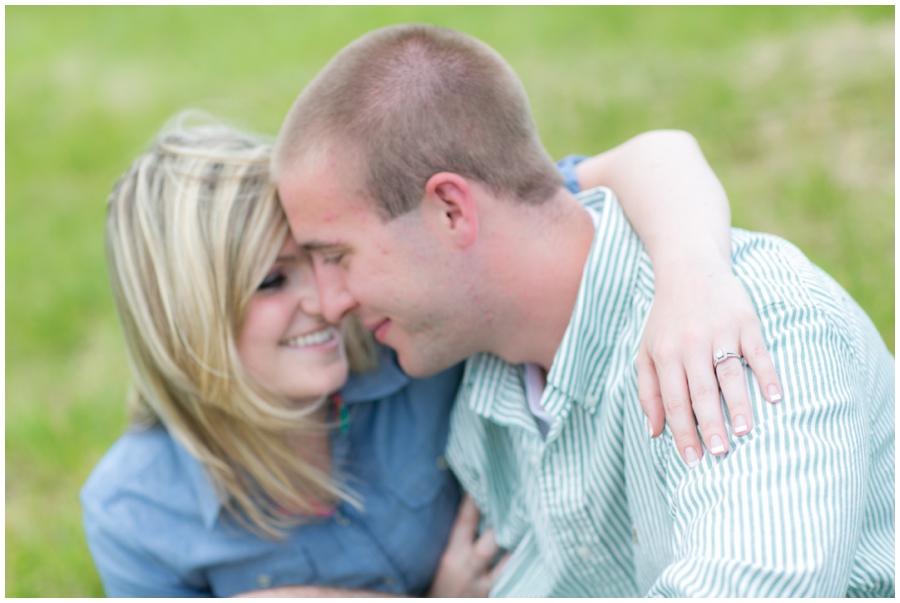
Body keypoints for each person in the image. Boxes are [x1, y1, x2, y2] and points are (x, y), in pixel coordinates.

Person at [273, 24, 895, 597]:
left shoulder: (745, 335)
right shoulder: (485, 383)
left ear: (452, 211)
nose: (330, 304)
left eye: (338, 255)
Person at [82, 113, 766, 597]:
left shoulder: (408, 341)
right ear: (187, 325)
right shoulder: (134, 511)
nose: (328, 300)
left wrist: (691, 276)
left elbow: (655, 157)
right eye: (271, 281)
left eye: (322, 258)